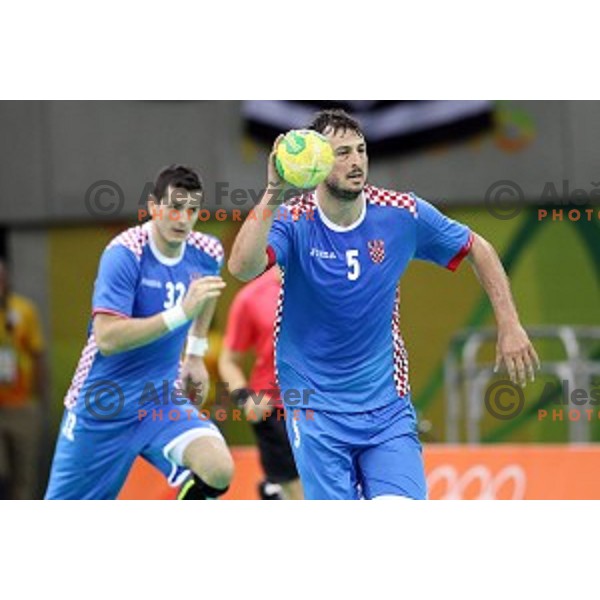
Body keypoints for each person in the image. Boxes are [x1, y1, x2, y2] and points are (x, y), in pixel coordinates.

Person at [228, 109, 540, 500]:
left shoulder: (402, 213)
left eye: (361, 150)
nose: (356, 161)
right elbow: (242, 267)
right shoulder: (295, 219)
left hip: (386, 408)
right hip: (313, 408)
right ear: (318, 163)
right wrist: (274, 190)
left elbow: (477, 246)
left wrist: (509, 323)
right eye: (342, 153)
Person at [45, 165, 234, 500]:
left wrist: (194, 353)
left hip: (159, 400)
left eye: (192, 210)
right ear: (153, 206)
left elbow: (205, 294)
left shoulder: (207, 251)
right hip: (102, 406)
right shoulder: (125, 252)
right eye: (174, 207)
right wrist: (180, 314)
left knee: (219, 469)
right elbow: (108, 337)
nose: (182, 219)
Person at [219, 267, 303, 500]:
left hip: (323, 405)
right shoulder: (251, 297)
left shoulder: (331, 288)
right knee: (300, 493)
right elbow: (228, 360)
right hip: (272, 410)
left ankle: (273, 492)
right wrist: (245, 398)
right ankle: (277, 490)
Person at [0, 258, 49, 499]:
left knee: (24, 475)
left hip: (21, 405)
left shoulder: (23, 310)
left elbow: (38, 355)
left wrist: (38, 400)